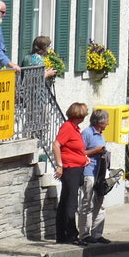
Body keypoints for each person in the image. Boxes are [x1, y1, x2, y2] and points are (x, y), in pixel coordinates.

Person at [53, 102, 89, 244]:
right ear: (79, 115)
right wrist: (59, 165)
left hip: (76, 167)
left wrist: (83, 158)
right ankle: (71, 235)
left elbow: (75, 149)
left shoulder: (74, 129)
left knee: (66, 201)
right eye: (84, 114)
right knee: (70, 203)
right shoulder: (68, 127)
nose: (85, 116)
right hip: (70, 169)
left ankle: (62, 235)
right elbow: (56, 145)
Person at [79, 108, 111, 245]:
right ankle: (84, 234)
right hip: (89, 172)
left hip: (100, 174)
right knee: (87, 203)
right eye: (107, 121)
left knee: (100, 203)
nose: (108, 124)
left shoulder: (101, 134)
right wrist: (95, 151)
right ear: (100, 122)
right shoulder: (87, 133)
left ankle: (97, 234)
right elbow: (80, 153)